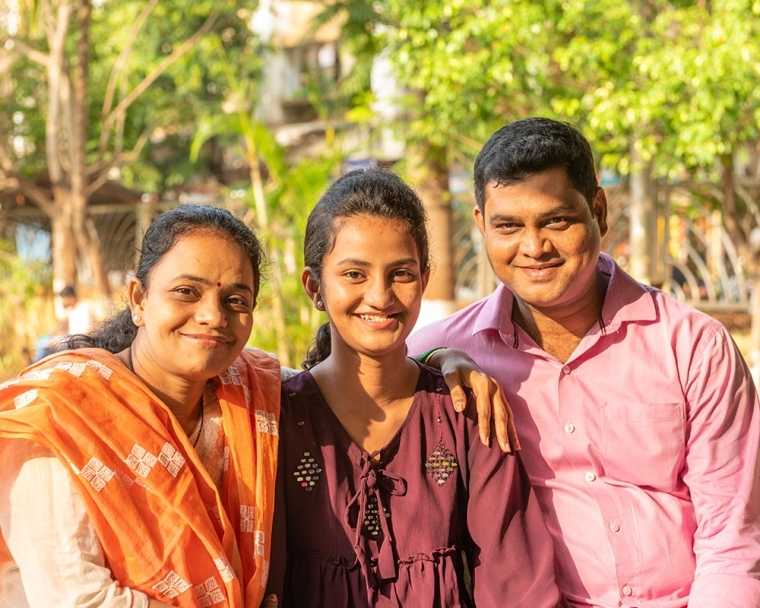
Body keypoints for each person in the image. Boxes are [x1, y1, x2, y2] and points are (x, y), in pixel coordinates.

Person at [407, 117, 760, 607]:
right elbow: (354, 380)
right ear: (481, 224)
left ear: (599, 210)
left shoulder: (694, 346)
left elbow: (733, 538)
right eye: (508, 225)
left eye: (556, 221)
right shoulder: (446, 351)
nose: (534, 248)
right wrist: (433, 358)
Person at [272, 168, 565, 607]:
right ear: (315, 287)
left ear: (425, 281)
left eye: (401, 273)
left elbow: (519, 587)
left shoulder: (467, 411)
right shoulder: (276, 419)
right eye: (354, 274)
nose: (380, 295)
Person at [0, 206, 280, 607]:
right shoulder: (56, 419)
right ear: (138, 299)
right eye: (187, 291)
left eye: (235, 299)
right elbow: (78, 599)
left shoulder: (252, 392)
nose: (212, 315)